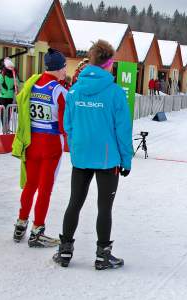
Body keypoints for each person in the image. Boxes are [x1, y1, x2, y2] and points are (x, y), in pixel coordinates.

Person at [53, 40, 133, 270]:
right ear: (109, 64)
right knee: (104, 207)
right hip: (108, 159)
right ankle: (103, 255)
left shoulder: (74, 90)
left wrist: (78, 143)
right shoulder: (115, 93)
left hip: (81, 156)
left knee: (74, 203)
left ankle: (65, 250)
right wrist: (126, 160)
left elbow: (67, 124)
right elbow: (123, 131)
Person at [11, 48, 68, 247]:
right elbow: (64, 126)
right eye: (64, 67)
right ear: (59, 68)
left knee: (30, 185)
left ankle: (21, 224)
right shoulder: (59, 91)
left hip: (31, 141)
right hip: (51, 144)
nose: (65, 71)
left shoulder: (32, 83)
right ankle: (37, 231)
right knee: (45, 189)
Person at [0, 58, 20, 127]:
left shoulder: (3, 75)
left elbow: (0, 81)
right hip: (10, 96)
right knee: (8, 112)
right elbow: (17, 84)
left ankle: (4, 126)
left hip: (3, 96)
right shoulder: (13, 75)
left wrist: (2, 73)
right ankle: (6, 125)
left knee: (2, 113)